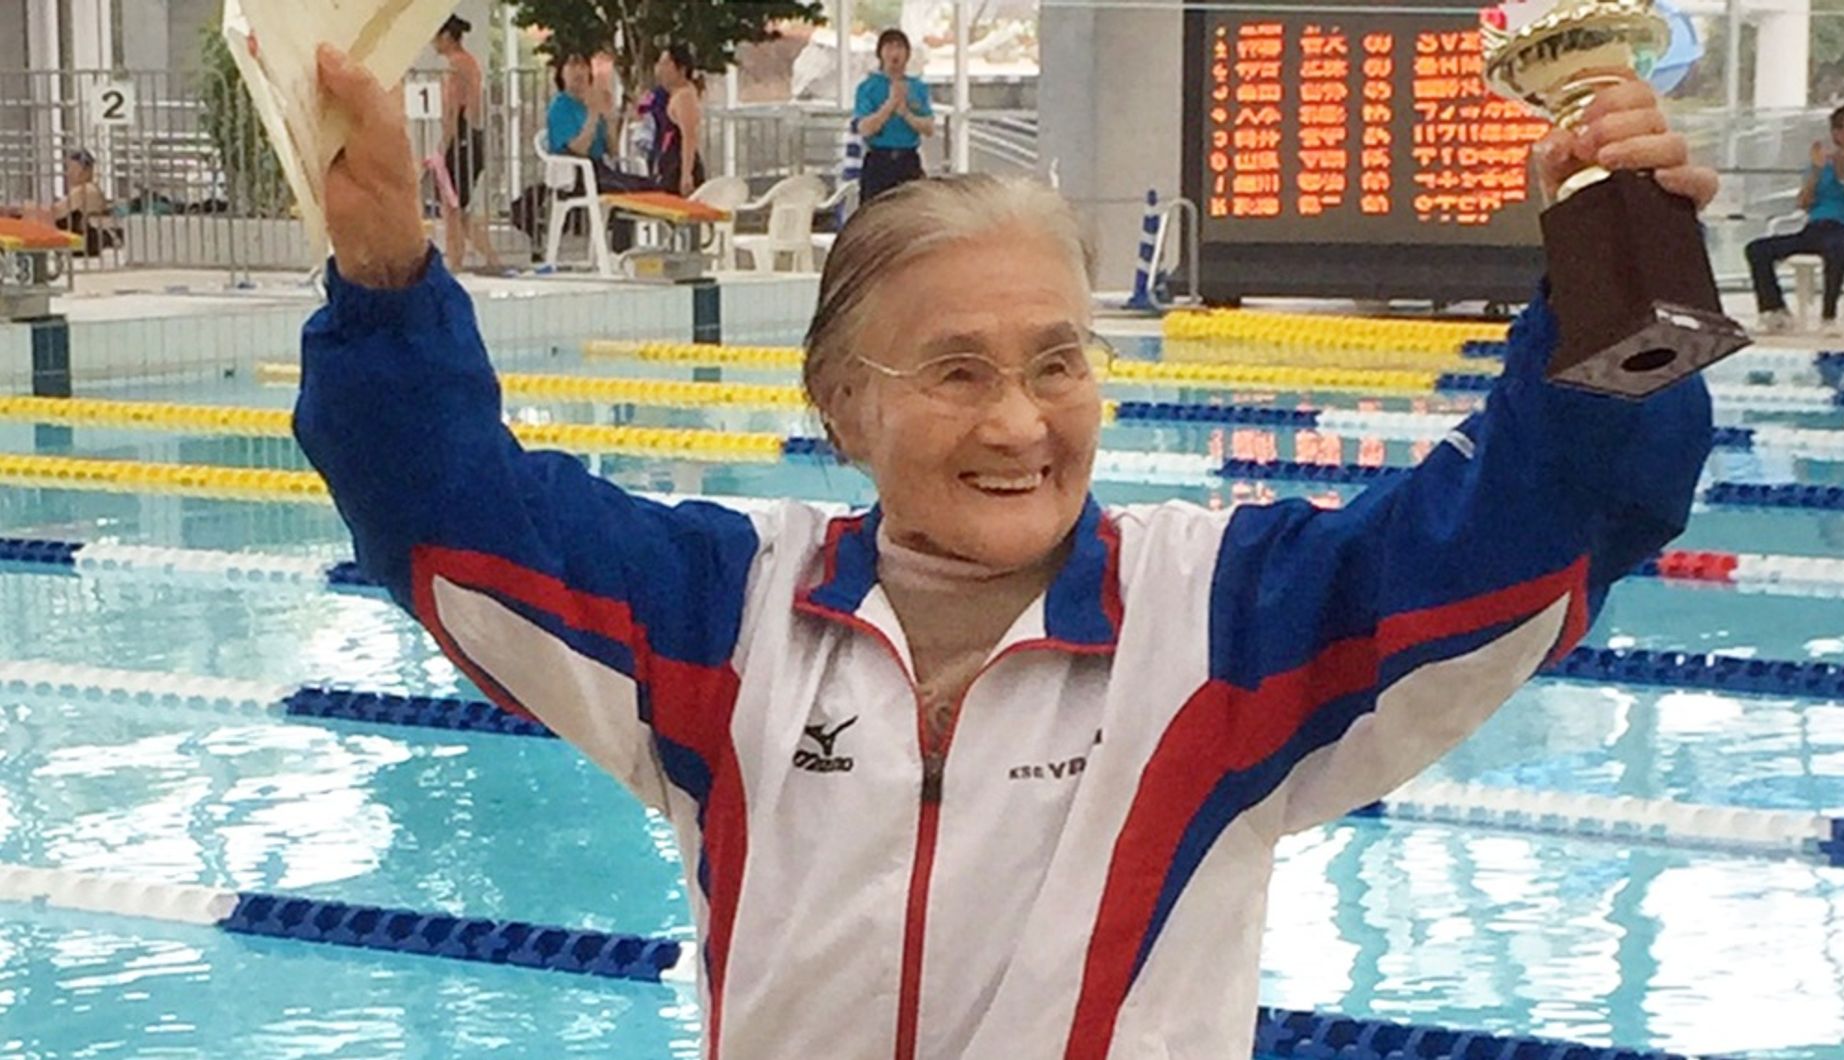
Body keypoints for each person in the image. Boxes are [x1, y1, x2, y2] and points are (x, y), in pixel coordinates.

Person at [301, 44, 1716, 1059]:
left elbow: (1544, 523)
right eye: (957, 373)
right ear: (843, 404)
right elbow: (451, 515)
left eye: (1058, 362)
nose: (1023, 423)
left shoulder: (1225, 625)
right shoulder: (725, 617)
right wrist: (382, 276)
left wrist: (1615, 241)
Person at [1744, 101, 1844, 335]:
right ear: (1837, 133)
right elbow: (1803, 204)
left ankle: (1828, 317)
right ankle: (1775, 312)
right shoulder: (1820, 166)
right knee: (1757, 249)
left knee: (1836, 246)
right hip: (1814, 228)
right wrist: (1817, 172)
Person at [432, 15, 500, 271]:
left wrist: (443, 146)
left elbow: (453, 109)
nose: (432, 43)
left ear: (447, 37)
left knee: (451, 207)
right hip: (472, 136)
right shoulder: (469, 63)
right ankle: (490, 259)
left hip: (461, 138)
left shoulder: (456, 66)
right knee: (460, 209)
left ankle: (455, 264)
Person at [854, 29, 935, 203]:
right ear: (880, 54)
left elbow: (929, 127)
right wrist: (890, 105)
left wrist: (906, 112)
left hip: (908, 159)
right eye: (889, 47)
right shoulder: (868, 87)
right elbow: (865, 128)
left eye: (899, 47)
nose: (894, 53)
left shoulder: (918, 87)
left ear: (907, 54)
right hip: (879, 159)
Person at [545, 51, 643, 194]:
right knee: (627, 190)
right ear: (561, 73)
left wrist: (610, 119)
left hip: (600, 169)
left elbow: (613, 151)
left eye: (583, 66)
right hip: (576, 175)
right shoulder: (560, 107)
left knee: (650, 186)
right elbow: (578, 150)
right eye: (572, 65)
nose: (578, 71)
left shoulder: (589, 103)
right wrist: (593, 114)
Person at [4, 149, 115, 256]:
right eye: (69, 168)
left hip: (84, 241)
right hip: (86, 239)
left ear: (86, 170)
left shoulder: (84, 190)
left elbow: (55, 212)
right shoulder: (91, 190)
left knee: (31, 219)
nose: (69, 173)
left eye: (73, 169)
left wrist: (24, 208)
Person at [651, 44, 707, 198]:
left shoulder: (684, 97)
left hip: (679, 164)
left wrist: (686, 174)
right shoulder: (673, 95)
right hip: (669, 162)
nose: (660, 69)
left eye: (665, 64)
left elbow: (689, 135)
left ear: (681, 69)